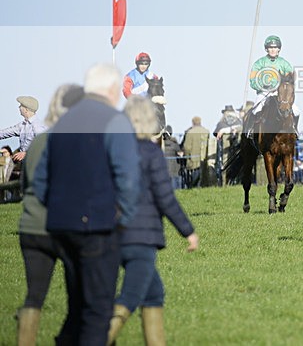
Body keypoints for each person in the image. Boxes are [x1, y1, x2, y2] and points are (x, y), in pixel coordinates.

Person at [33, 63, 141, 344]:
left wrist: (57, 210)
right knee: (97, 312)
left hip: (61, 226)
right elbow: (129, 180)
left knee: (76, 307)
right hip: (98, 227)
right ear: (112, 89)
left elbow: (40, 179)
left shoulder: (60, 125)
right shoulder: (115, 121)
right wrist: (124, 220)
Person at [107, 96, 198, 344]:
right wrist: (188, 231)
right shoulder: (150, 152)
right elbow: (165, 198)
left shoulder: (112, 149)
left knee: (154, 293)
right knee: (130, 296)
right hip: (140, 237)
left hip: (110, 234)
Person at [16, 84, 83, 345]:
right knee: (76, 291)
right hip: (62, 226)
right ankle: (68, 339)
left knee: (34, 295)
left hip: (31, 226)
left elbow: (24, 187)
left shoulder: (37, 143)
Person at [249, 35, 294, 118]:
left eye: (275, 47)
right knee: (256, 111)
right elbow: (252, 81)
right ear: (267, 49)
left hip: (280, 95)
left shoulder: (285, 64)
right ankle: (249, 130)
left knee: (296, 111)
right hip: (264, 93)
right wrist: (263, 86)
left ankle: (295, 129)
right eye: (270, 47)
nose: (273, 50)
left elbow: (290, 81)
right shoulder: (258, 63)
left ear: (279, 49)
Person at [0, 95, 47, 163]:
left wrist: (26, 153)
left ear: (26, 110)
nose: (19, 107)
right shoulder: (23, 125)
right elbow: (5, 133)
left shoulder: (38, 127)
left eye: (21, 106)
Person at [181, 116, 210, 187]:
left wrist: (187, 157)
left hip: (193, 159)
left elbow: (187, 147)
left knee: (193, 180)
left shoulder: (190, 132)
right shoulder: (206, 131)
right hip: (204, 158)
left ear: (193, 122)